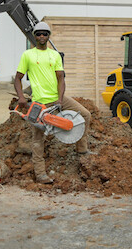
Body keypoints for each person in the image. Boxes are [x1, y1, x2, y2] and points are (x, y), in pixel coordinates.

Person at [14, 21, 92, 184]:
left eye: (45, 33)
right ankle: (41, 173)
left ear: (49, 36)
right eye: (38, 34)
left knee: (85, 114)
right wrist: (21, 97)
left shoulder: (55, 55)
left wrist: (60, 98)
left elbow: (61, 78)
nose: (42, 36)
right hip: (39, 103)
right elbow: (18, 79)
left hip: (57, 98)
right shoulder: (28, 55)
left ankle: (82, 151)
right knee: (38, 138)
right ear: (34, 36)